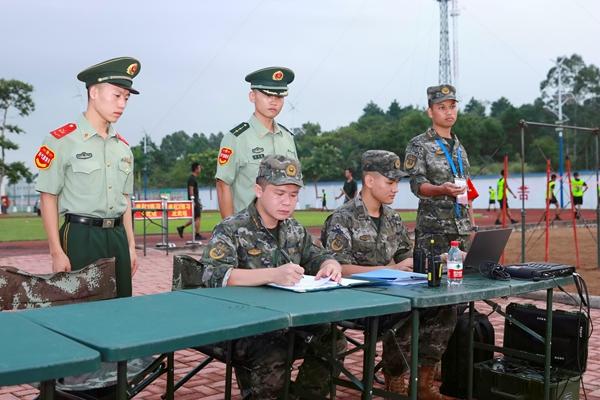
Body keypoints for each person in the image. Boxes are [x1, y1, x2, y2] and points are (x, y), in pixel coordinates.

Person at [200, 155, 344, 399]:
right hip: (244, 324)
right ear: (258, 190)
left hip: (288, 320)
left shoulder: (294, 229)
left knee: (333, 342)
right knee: (273, 354)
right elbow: (214, 275)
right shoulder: (232, 228)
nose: (287, 202)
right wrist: (273, 275)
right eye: (279, 193)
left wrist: (330, 264)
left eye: (293, 195)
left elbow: (317, 256)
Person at [322, 150, 453, 399]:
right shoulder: (343, 217)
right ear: (369, 181)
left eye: (398, 183)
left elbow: (408, 256)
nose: (395, 189)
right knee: (406, 310)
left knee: (445, 307)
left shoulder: (392, 218)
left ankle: (423, 380)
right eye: (390, 182)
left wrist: (440, 260)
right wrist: (389, 269)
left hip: (390, 291)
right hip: (355, 298)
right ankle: (395, 377)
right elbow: (339, 268)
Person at [35, 57, 140, 298]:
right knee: (80, 311)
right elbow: (48, 196)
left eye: (126, 98)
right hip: (80, 236)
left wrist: (131, 247)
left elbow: (125, 201)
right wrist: (56, 251)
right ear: (94, 92)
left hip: (117, 236)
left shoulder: (123, 148)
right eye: (117, 95)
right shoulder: (61, 140)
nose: (122, 104)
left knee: (121, 308)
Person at [215, 67, 298, 218]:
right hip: (248, 231)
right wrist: (230, 232)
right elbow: (223, 185)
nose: (273, 101)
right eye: (267, 95)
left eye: (279, 97)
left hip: (282, 232)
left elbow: (292, 186)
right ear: (252, 96)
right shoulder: (236, 138)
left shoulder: (287, 138)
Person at [404, 84, 473, 256]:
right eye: (441, 107)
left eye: (452, 106)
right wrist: (441, 189)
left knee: (464, 281)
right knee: (433, 280)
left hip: (462, 232)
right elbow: (417, 184)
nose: (449, 112)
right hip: (433, 232)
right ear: (430, 112)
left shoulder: (459, 147)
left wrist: (472, 227)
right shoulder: (419, 144)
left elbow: (467, 190)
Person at [177, 162, 203, 241]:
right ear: (196, 169)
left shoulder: (193, 178)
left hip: (195, 199)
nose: (200, 169)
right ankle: (197, 234)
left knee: (195, 217)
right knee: (198, 217)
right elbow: (191, 190)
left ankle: (181, 228)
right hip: (193, 199)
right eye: (199, 167)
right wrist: (193, 201)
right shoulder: (192, 178)